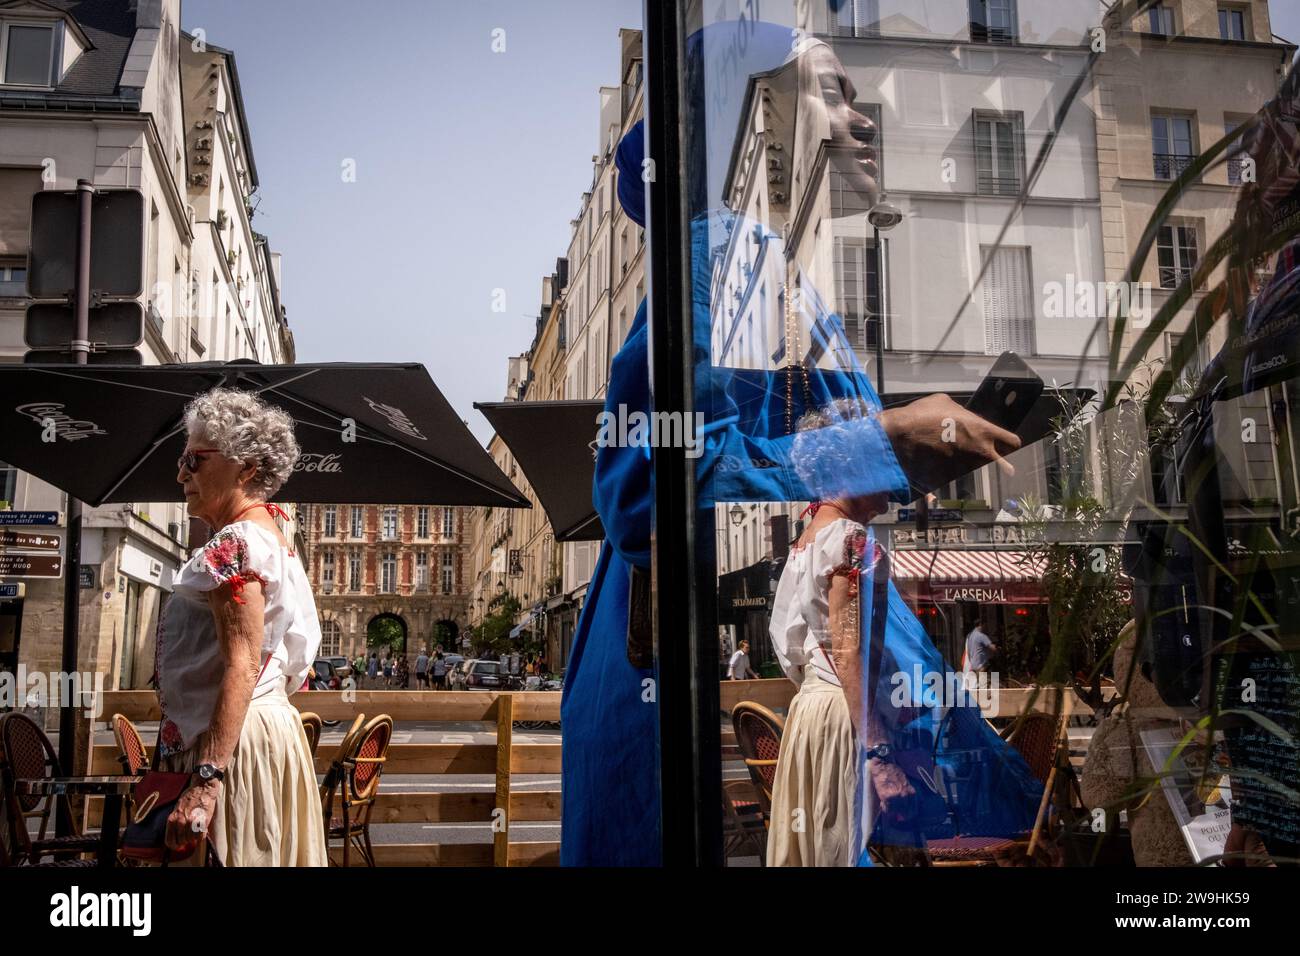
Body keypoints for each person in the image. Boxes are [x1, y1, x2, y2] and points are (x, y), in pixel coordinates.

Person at [560, 25, 1040, 866]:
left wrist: (907, 437)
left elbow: (763, 426)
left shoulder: (766, 271)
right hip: (652, 668)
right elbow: (638, 482)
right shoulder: (713, 259)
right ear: (758, 115)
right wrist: (883, 438)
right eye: (835, 91)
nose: (860, 116)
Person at [157, 386, 326, 865]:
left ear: (246, 468)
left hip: (232, 743)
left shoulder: (237, 543)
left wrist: (206, 781)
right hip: (264, 735)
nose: (181, 472)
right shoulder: (275, 538)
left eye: (194, 460)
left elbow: (243, 663)